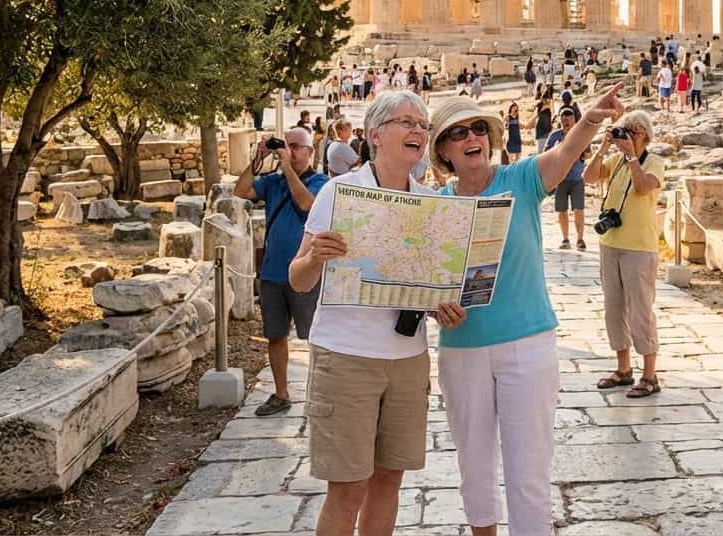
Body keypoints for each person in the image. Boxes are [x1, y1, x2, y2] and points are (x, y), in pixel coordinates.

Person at [430, 86, 625, 535]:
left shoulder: (520, 179)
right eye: (457, 132)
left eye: (478, 128)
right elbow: (426, 282)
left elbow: (564, 154)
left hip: (527, 344)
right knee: (473, 465)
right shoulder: (436, 205)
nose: (470, 137)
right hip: (462, 348)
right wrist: (433, 307)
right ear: (443, 149)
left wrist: (591, 119)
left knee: (529, 470)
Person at [289, 90, 467, 536]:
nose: (418, 131)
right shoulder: (339, 192)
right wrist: (314, 259)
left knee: (389, 481)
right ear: (375, 134)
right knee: (348, 489)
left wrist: (442, 306)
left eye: (422, 125)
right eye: (406, 122)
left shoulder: (431, 202)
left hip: (407, 359)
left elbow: (425, 283)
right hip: (347, 358)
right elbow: (298, 278)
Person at [233, 127, 329, 417]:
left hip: (307, 273)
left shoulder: (322, 182)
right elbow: (241, 191)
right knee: (275, 335)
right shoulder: (273, 181)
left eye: (298, 146)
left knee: (317, 336)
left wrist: (287, 168)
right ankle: (281, 393)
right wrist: (257, 160)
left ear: (311, 152)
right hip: (274, 272)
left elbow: (307, 205)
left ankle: (322, 393)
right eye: (286, 145)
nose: (290, 151)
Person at [583, 110, 665, 398]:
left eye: (633, 130)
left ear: (645, 135)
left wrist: (632, 157)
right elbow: (589, 176)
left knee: (641, 310)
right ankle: (623, 369)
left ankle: (650, 375)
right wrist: (603, 148)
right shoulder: (615, 160)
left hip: (639, 248)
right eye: (624, 129)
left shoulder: (654, 162)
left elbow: (643, 187)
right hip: (611, 243)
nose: (627, 135)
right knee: (614, 308)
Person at [545, 107, 588, 250]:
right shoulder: (554, 136)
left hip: (577, 179)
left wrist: (580, 152)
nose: (566, 121)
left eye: (569, 118)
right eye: (563, 119)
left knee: (578, 209)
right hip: (560, 179)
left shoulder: (581, 135)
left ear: (575, 120)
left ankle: (580, 239)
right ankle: (565, 239)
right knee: (561, 210)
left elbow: (588, 153)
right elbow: (545, 154)